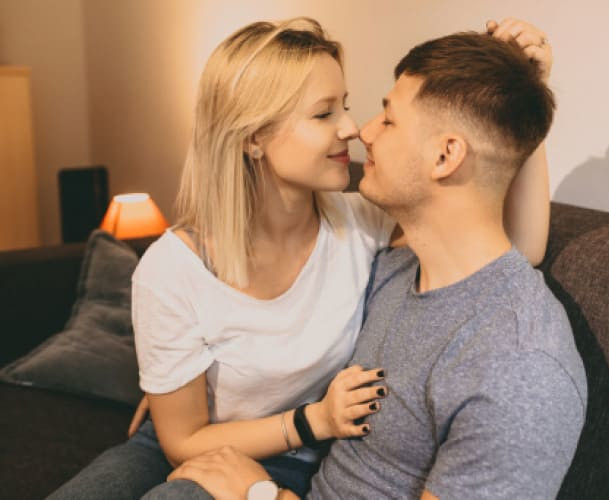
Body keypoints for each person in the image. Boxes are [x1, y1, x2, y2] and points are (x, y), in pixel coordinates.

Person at [49, 17, 552, 500]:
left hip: (292, 457)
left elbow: (513, 249)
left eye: (347, 106)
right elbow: (182, 440)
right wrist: (303, 418)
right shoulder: (172, 269)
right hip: (189, 440)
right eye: (323, 113)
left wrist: (525, 101)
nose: (353, 129)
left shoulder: (362, 224)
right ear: (252, 138)